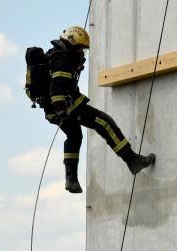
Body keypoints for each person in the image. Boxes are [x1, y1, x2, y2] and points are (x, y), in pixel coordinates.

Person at [38, 26, 156, 194]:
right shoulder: (62, 60)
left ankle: (71, 179)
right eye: (80, 49)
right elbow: (57, 90)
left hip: (55, 111)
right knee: (104, 123)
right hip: (65, 109)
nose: (81, 54)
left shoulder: (56, 56)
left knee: (74, 135)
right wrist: (62, 113)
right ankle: (132, 160)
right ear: (72, 44)